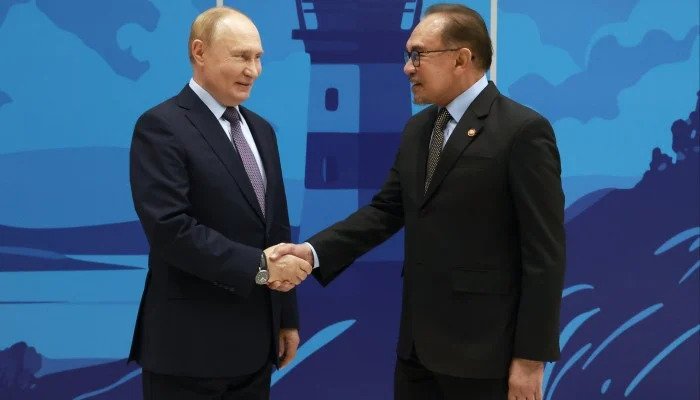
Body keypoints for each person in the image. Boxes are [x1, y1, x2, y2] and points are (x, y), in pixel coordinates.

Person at [271, 4, 565, 400]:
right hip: (417, 353)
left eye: (418, 55)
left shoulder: (523, 131)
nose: (407, 68)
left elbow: (544, 255)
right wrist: (311, 252)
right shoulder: (418, 129)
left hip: (486, 355)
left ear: (461, 59)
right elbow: (385, 211)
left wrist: (530, 359)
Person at [128, 7, 311, 399]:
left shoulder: (262, 130)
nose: (253, 70)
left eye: (258, 57)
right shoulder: (161, 126)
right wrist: (260, 266)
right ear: (199, 52)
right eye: (241, 56)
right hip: (189, 353)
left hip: (256, 350)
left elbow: (276, 228)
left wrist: (286, 317)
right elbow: (170, 230)